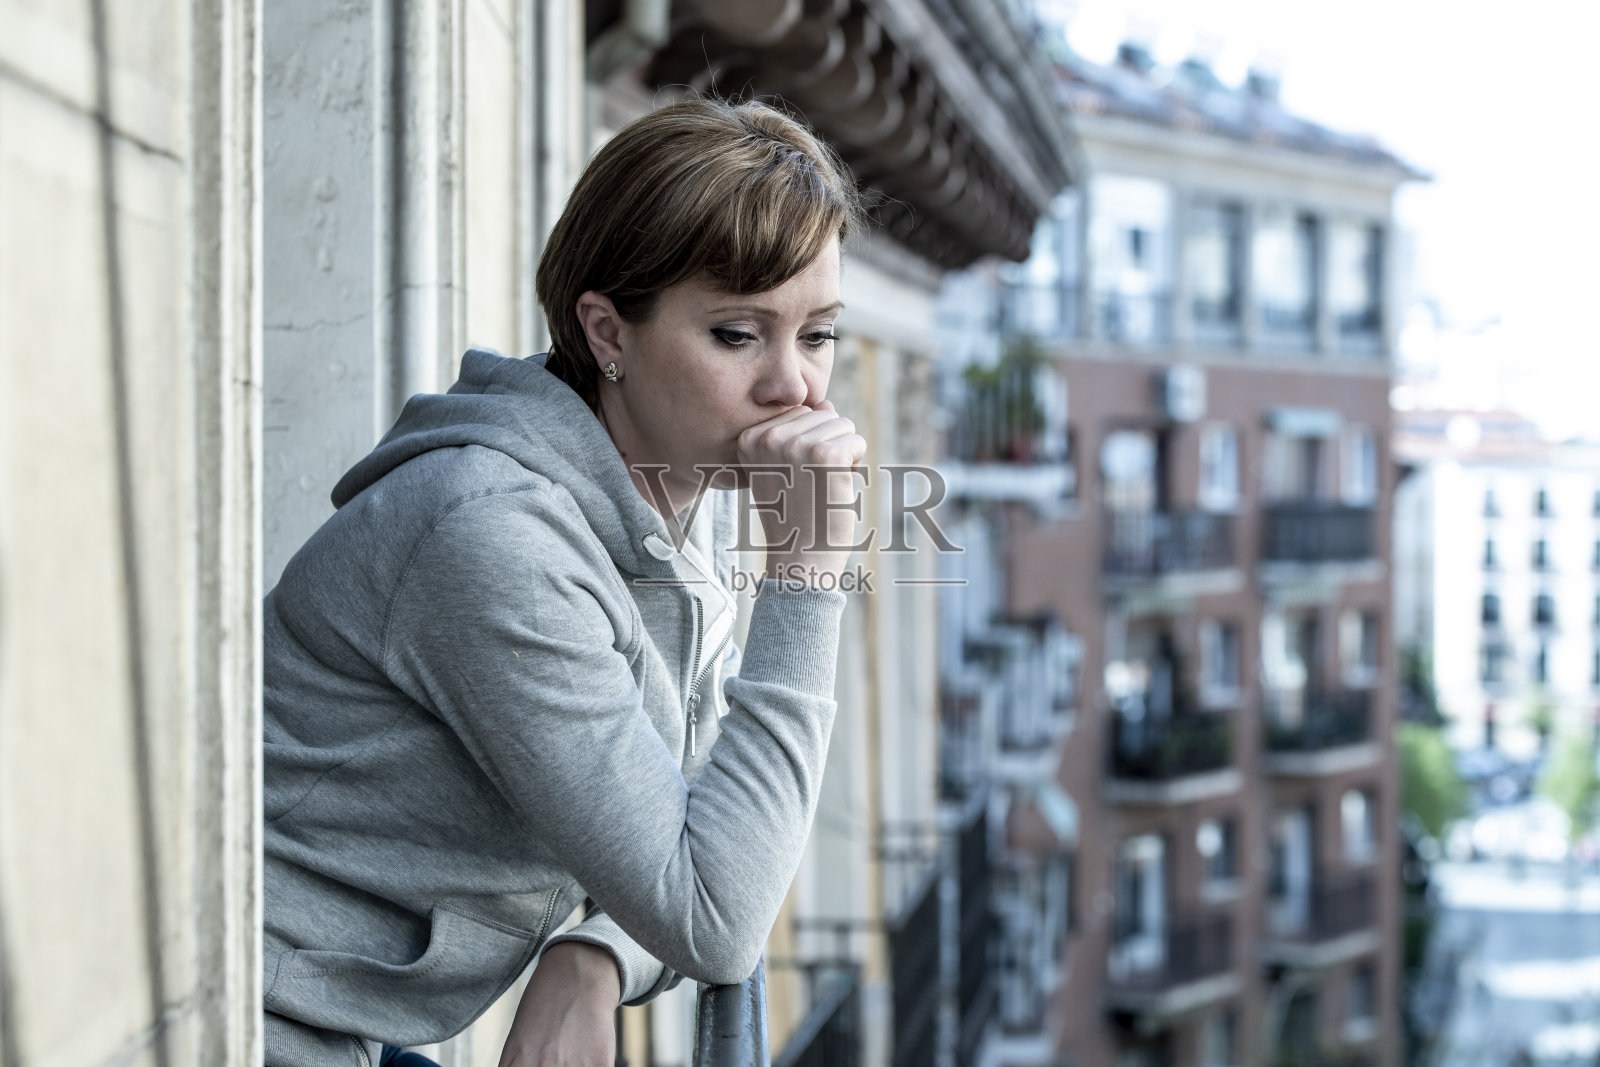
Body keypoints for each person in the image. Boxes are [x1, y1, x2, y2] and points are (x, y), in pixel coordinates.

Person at [261, 96, 867, 1066]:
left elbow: (717, 822)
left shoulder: (685, 493)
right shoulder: (497, 536)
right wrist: (804, 577)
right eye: (736, 334)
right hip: (239, 1012)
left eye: (818, 333)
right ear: (606, 332)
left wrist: (595, 953)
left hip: (350, 1028)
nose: (793, 387)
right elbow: (715, 913)